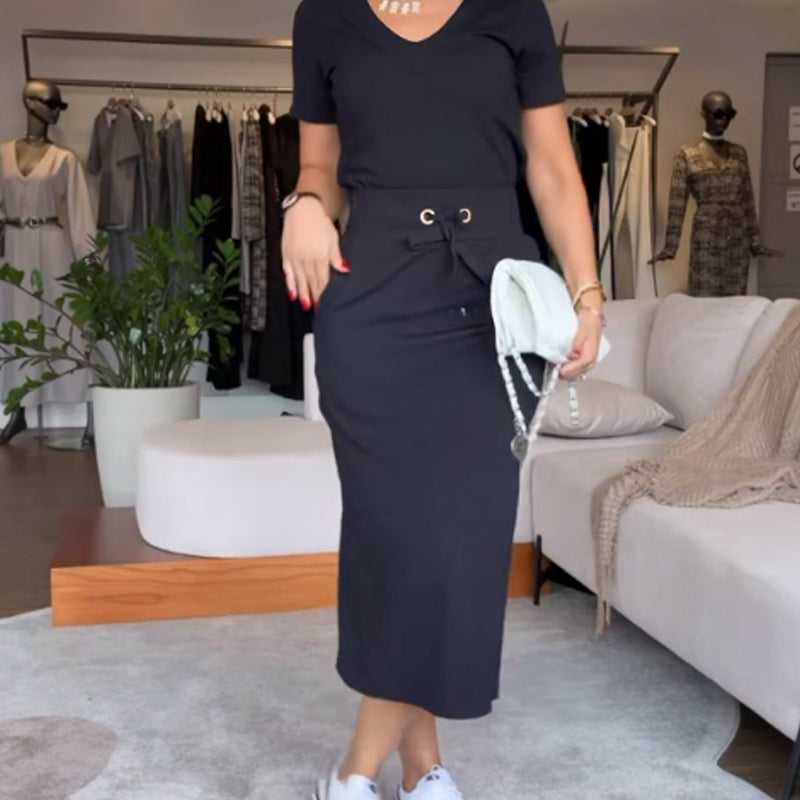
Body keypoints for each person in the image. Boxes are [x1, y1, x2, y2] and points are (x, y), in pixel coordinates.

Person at [280, 1, 605, 798]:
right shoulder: (325, 17)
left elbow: (552, 164)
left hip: (492, 306)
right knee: (395, 539)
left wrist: (587, 291)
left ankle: (356, 768)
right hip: (373, 302)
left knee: (457, 541)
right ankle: (421, 762)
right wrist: (305, 208)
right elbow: (320, 168)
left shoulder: (513, 12)